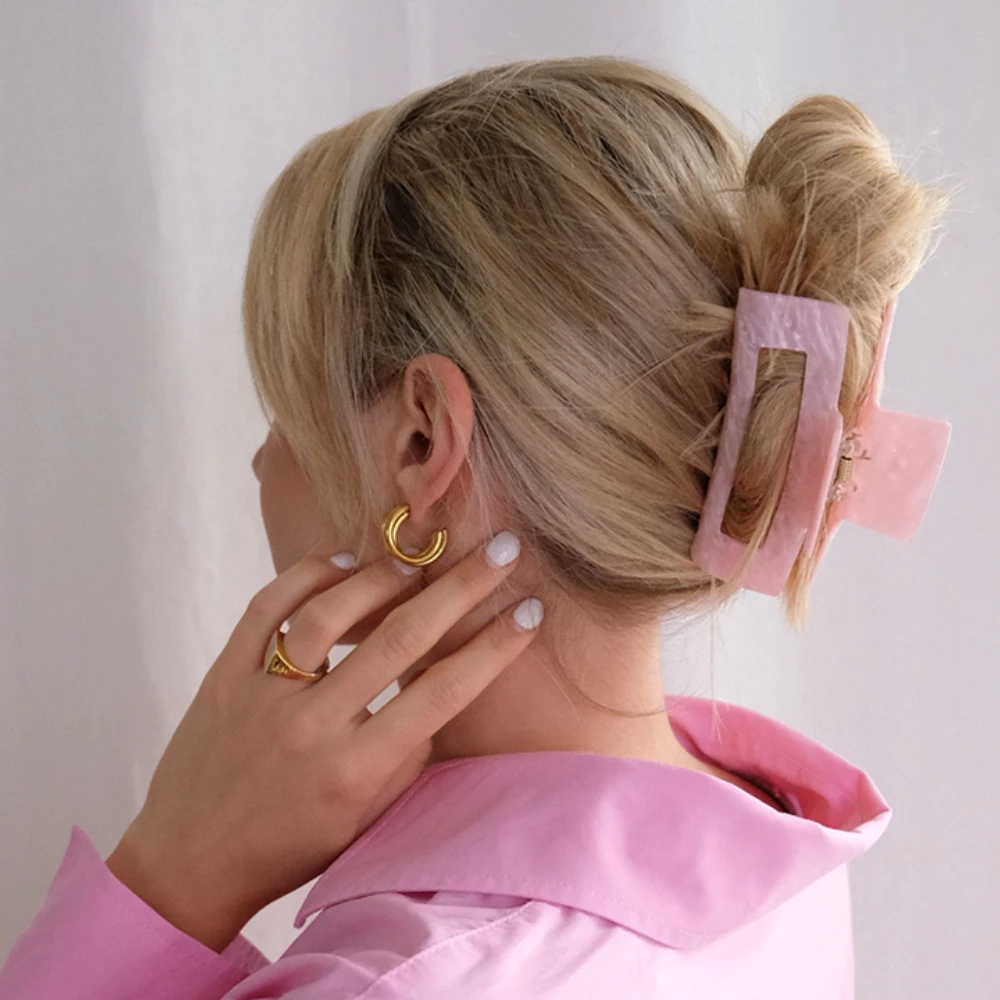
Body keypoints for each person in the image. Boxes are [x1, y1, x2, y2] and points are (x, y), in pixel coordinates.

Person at [0, 55, 952, 998]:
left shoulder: (396, 982)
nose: (262, 463)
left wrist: (173, 875)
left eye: (287, 412)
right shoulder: (782, 854)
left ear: (423, 441)